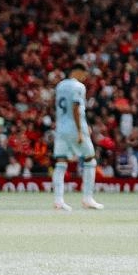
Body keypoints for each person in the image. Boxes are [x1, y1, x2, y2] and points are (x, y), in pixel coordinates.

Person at [51, 62, 103, 211]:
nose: (85, 77)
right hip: (74, 128)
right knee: (89, 159)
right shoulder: (78, 87)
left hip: (61, 129)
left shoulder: (60, 86)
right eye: (84, 74)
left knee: (60, 163)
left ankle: (58, 200)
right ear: (77, 72)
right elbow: (75, 107)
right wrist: (81, 130)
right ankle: (87, 198)